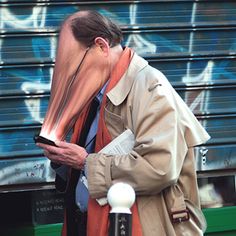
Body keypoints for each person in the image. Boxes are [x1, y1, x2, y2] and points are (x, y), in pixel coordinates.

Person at [36, 10, 210, 236]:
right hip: (88, 223)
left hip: (138, 226)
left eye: (76, 66)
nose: (73, 76)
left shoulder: (150, 87)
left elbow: (159, 167)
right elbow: (87, 162)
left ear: (101, 46)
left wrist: (85, 162)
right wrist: (63, 159)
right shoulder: (94, 93)